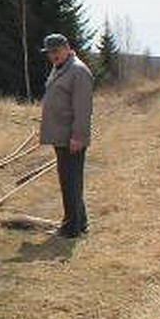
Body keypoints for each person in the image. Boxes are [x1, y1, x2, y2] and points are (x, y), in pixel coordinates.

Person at [39, 33, 93, 238]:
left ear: (67, 48)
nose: (53, 56)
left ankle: (71, 228)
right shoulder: (60, 68)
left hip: (72, 137)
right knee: (70, 181)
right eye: (49, 52)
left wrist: (78, 136)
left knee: (71, 182)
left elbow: (83, 109)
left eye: (56, 51)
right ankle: (80, 223)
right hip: (62, 135)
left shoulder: (78, 71)